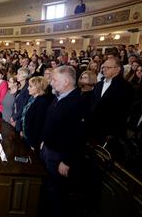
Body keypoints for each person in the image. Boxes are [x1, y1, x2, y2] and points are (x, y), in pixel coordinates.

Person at [40, 66, 86, 217]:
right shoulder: (58, 97)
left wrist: (67, 161)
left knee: (57, 193)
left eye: (54, 80)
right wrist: (44, 141)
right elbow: (50, 122)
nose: (51, 83)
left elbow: (78, 136)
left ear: (66, 81)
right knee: (47, 188)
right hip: (48, 149)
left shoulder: (77, 102)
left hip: (60, 156)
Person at [89, 58, 134, 161]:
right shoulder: (98, 85)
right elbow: (92, 105)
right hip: (94, 130)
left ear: (117, 70)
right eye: (103, 67)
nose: (104, 69)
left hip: (111, 133)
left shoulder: (126, 87)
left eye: (108, 67)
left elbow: (123, 111)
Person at [21, 76, 50, 150]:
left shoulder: (42, 102)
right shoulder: (32, 98)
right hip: (26, 136)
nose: (28, 88)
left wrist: (33, 143)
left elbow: (39, 125)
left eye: (30, 86)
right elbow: (25, 116)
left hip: (33, 141)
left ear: (38, 88)